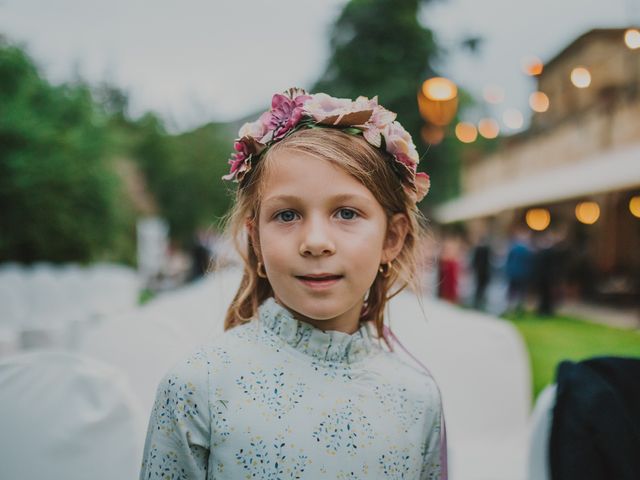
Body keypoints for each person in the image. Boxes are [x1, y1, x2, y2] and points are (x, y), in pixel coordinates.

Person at [139, 88, 447, 479]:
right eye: (287, 215)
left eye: (347, 213)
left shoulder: (416, 398)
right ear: (257, 241)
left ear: (392, 237)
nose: (316, 241)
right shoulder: (199, 387)